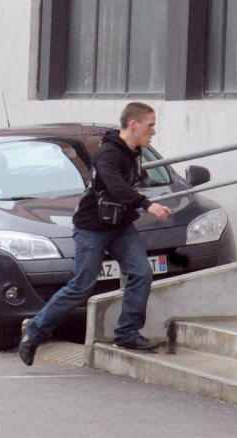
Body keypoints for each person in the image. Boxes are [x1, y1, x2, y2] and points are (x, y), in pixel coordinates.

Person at [18, 102, 173, 365]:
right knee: (82, 286)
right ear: (133, 124)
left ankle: (127, 333)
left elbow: (128, 187)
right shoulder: (108, 154)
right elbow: (116, 187)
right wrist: (148, 204)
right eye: (151, 125)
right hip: (91, 227)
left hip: (120, 225)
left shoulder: (133, 152)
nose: (153, 132)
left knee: (141, 273)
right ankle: (34, 332)